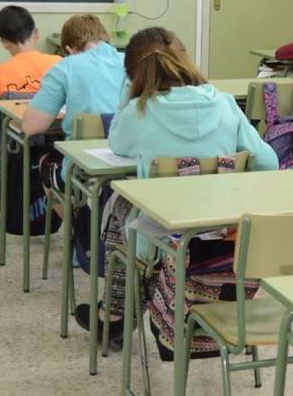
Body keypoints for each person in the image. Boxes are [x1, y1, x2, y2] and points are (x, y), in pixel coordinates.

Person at [78, 27, 279, 353]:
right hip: (223, 231)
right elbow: (268, 162)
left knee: (118, 208)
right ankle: (116, 314)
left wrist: (129, 95)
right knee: (123, 211)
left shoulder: (140, 111)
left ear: (133, 74)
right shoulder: (225, 104)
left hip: (165, 233)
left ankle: (114, 315)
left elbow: (117, 141)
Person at [22, 14, 126, 191]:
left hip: (83, 171)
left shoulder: (66, 67)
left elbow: (33, 127)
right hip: (129, 166)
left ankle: (74, 217)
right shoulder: (134, 62)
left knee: (43, 160)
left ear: (69, 49)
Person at [0, 5, 60, 190]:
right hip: (52, 140)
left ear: (4, 42)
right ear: (36, 33)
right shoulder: (59, 64)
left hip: (9, 148)